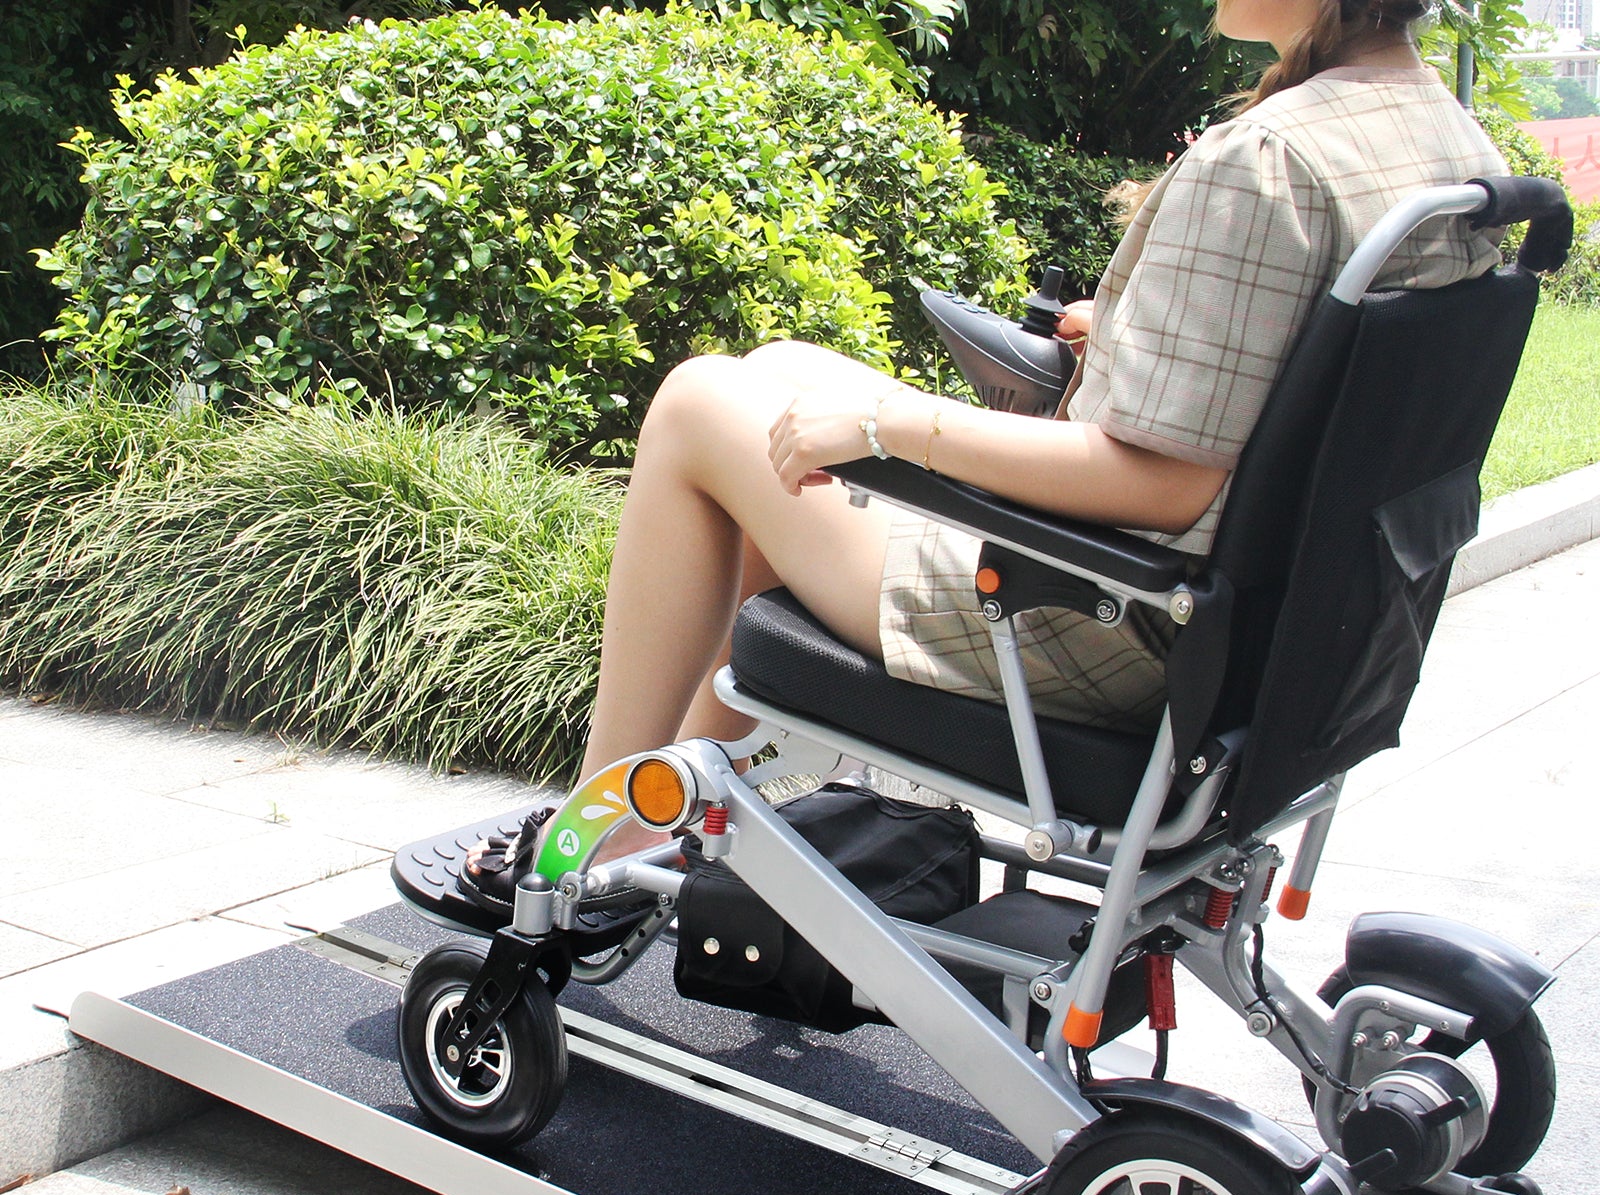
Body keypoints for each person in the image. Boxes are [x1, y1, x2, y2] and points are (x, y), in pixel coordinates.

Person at [461, 0, 1508, 912]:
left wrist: (894, 426)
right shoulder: (1450, 143)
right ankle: (667, 812)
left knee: (699, 403)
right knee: (777, 372)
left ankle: (590, 841)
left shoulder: (1268, 157)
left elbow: (1165, 480)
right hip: (1255, 638)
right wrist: (1135, 339)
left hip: (1089, 613)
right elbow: (1292, 401)